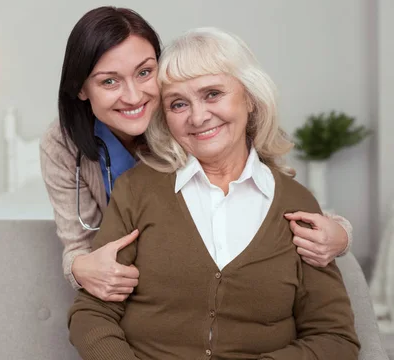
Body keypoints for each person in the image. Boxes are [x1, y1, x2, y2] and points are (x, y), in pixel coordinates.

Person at [68, 27, 360, 359]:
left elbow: (335, 337)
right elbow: (91, 314)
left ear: (249, 97)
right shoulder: (137, 190)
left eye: (212, 94)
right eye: (178, 104)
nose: (198, 116)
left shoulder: (296, 203)